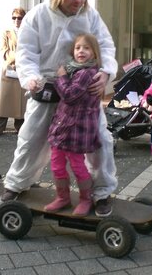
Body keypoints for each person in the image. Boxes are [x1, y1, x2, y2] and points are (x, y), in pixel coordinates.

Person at [0, 0, 118, 217]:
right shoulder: (38, 16)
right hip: (46, 87)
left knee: (99, 141)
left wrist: (106, 72)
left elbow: (105, 44)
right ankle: (17, 183)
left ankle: (102, 192)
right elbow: (26, 53)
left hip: (83, 92)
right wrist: (31, 77)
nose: (79, 1)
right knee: (32, 139)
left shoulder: (89, 15)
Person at [45, 33, 102, 216]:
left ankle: (86, 199)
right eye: (78, 48)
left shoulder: (86, 73)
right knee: (56, 164)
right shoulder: (75, 70)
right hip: (63, 127)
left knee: (78, 165)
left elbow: (69, 96)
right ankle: (63, 197)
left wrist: (60, 77)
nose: (81, 51)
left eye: (86, 48)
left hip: (77, 129)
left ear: (94, 53)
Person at [0, 7, 27, 136]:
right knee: (5, 98)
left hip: (23, 69)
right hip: (9, 67)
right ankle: (0, 126)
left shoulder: (28, 31)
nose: (16, 20)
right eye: (14, 18)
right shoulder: (7, 32)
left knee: (21, 100)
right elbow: (3, 50)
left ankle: (19, 126)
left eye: (19, 18)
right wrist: (14, 57)